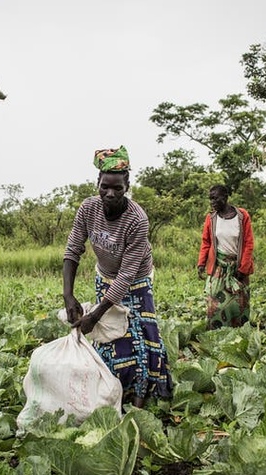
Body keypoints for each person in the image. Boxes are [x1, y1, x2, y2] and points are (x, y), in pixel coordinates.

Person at [62, 146, 173, 408]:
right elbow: (73, 250)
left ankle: (141, 399)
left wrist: (96, 313)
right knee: (111, 337)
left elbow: (126, 276)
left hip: (136, 281)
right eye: (104, 187)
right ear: (97, 183)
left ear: (127, 186)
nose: (110, 194)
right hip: (105, 277)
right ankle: (114, 390)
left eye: (117, 189)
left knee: (143, 339)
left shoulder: (137, 219)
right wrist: (68, 294)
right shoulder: (88, 209)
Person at [196, 184, 255, 329]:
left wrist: (243, 269)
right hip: (218, 266)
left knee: (239, 303)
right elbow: (206, 242)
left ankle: (238, 334)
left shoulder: (242, 216)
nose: (212, 202)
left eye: (215, 198)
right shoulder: (211, 218)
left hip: (238, 266)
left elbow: (248, 243)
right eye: (210, 199)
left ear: (226, 197)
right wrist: (201, 264)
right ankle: (216, 333)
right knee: (214, 303)